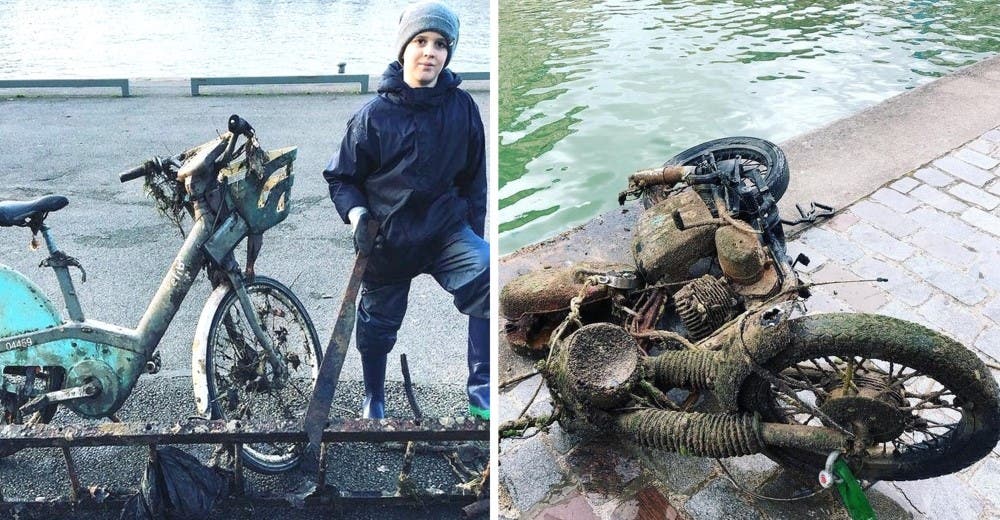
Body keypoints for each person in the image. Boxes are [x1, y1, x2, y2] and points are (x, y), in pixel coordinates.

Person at [322, 1, 490, 421]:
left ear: (448, 53)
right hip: (388, 240)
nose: (429, 52)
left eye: (439, 44)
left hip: (445, 234)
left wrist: (474, 234)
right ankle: (373, 397)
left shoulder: (462, 108)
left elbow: (474, 181)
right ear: (404, 49)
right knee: (377, 328)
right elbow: (341, 178)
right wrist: (358, 216)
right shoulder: (373, 117)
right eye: (420, 41)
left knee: (488, 274)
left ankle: (482, 394)